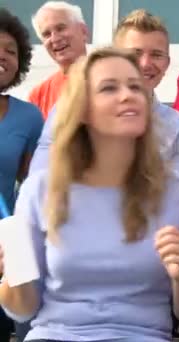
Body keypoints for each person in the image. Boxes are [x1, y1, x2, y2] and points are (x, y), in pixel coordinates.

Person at [0, 47, 179, 342]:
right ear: (82, 111)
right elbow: (21, 310)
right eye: (109, 88)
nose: (128, 95)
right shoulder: (39, 189)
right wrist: (15, 271)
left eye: (134, 86)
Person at [29, 9, 179, 178]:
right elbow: (41, 180)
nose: (145, 63)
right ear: (114, 57)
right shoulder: (70, 110)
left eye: (156, 55)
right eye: (135, 54)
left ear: (167, 64)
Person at [0, 8, 44, 342]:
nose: (3, 56)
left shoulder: (29, 117)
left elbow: (34, 187)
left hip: (9, 238)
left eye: (11, 51)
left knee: (18, 323)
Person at [28, 1, 88, 119]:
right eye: (46, 34)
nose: (54, 38)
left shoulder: (109, 78)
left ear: (84, 31)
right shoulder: (39, 96)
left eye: (61, 28)